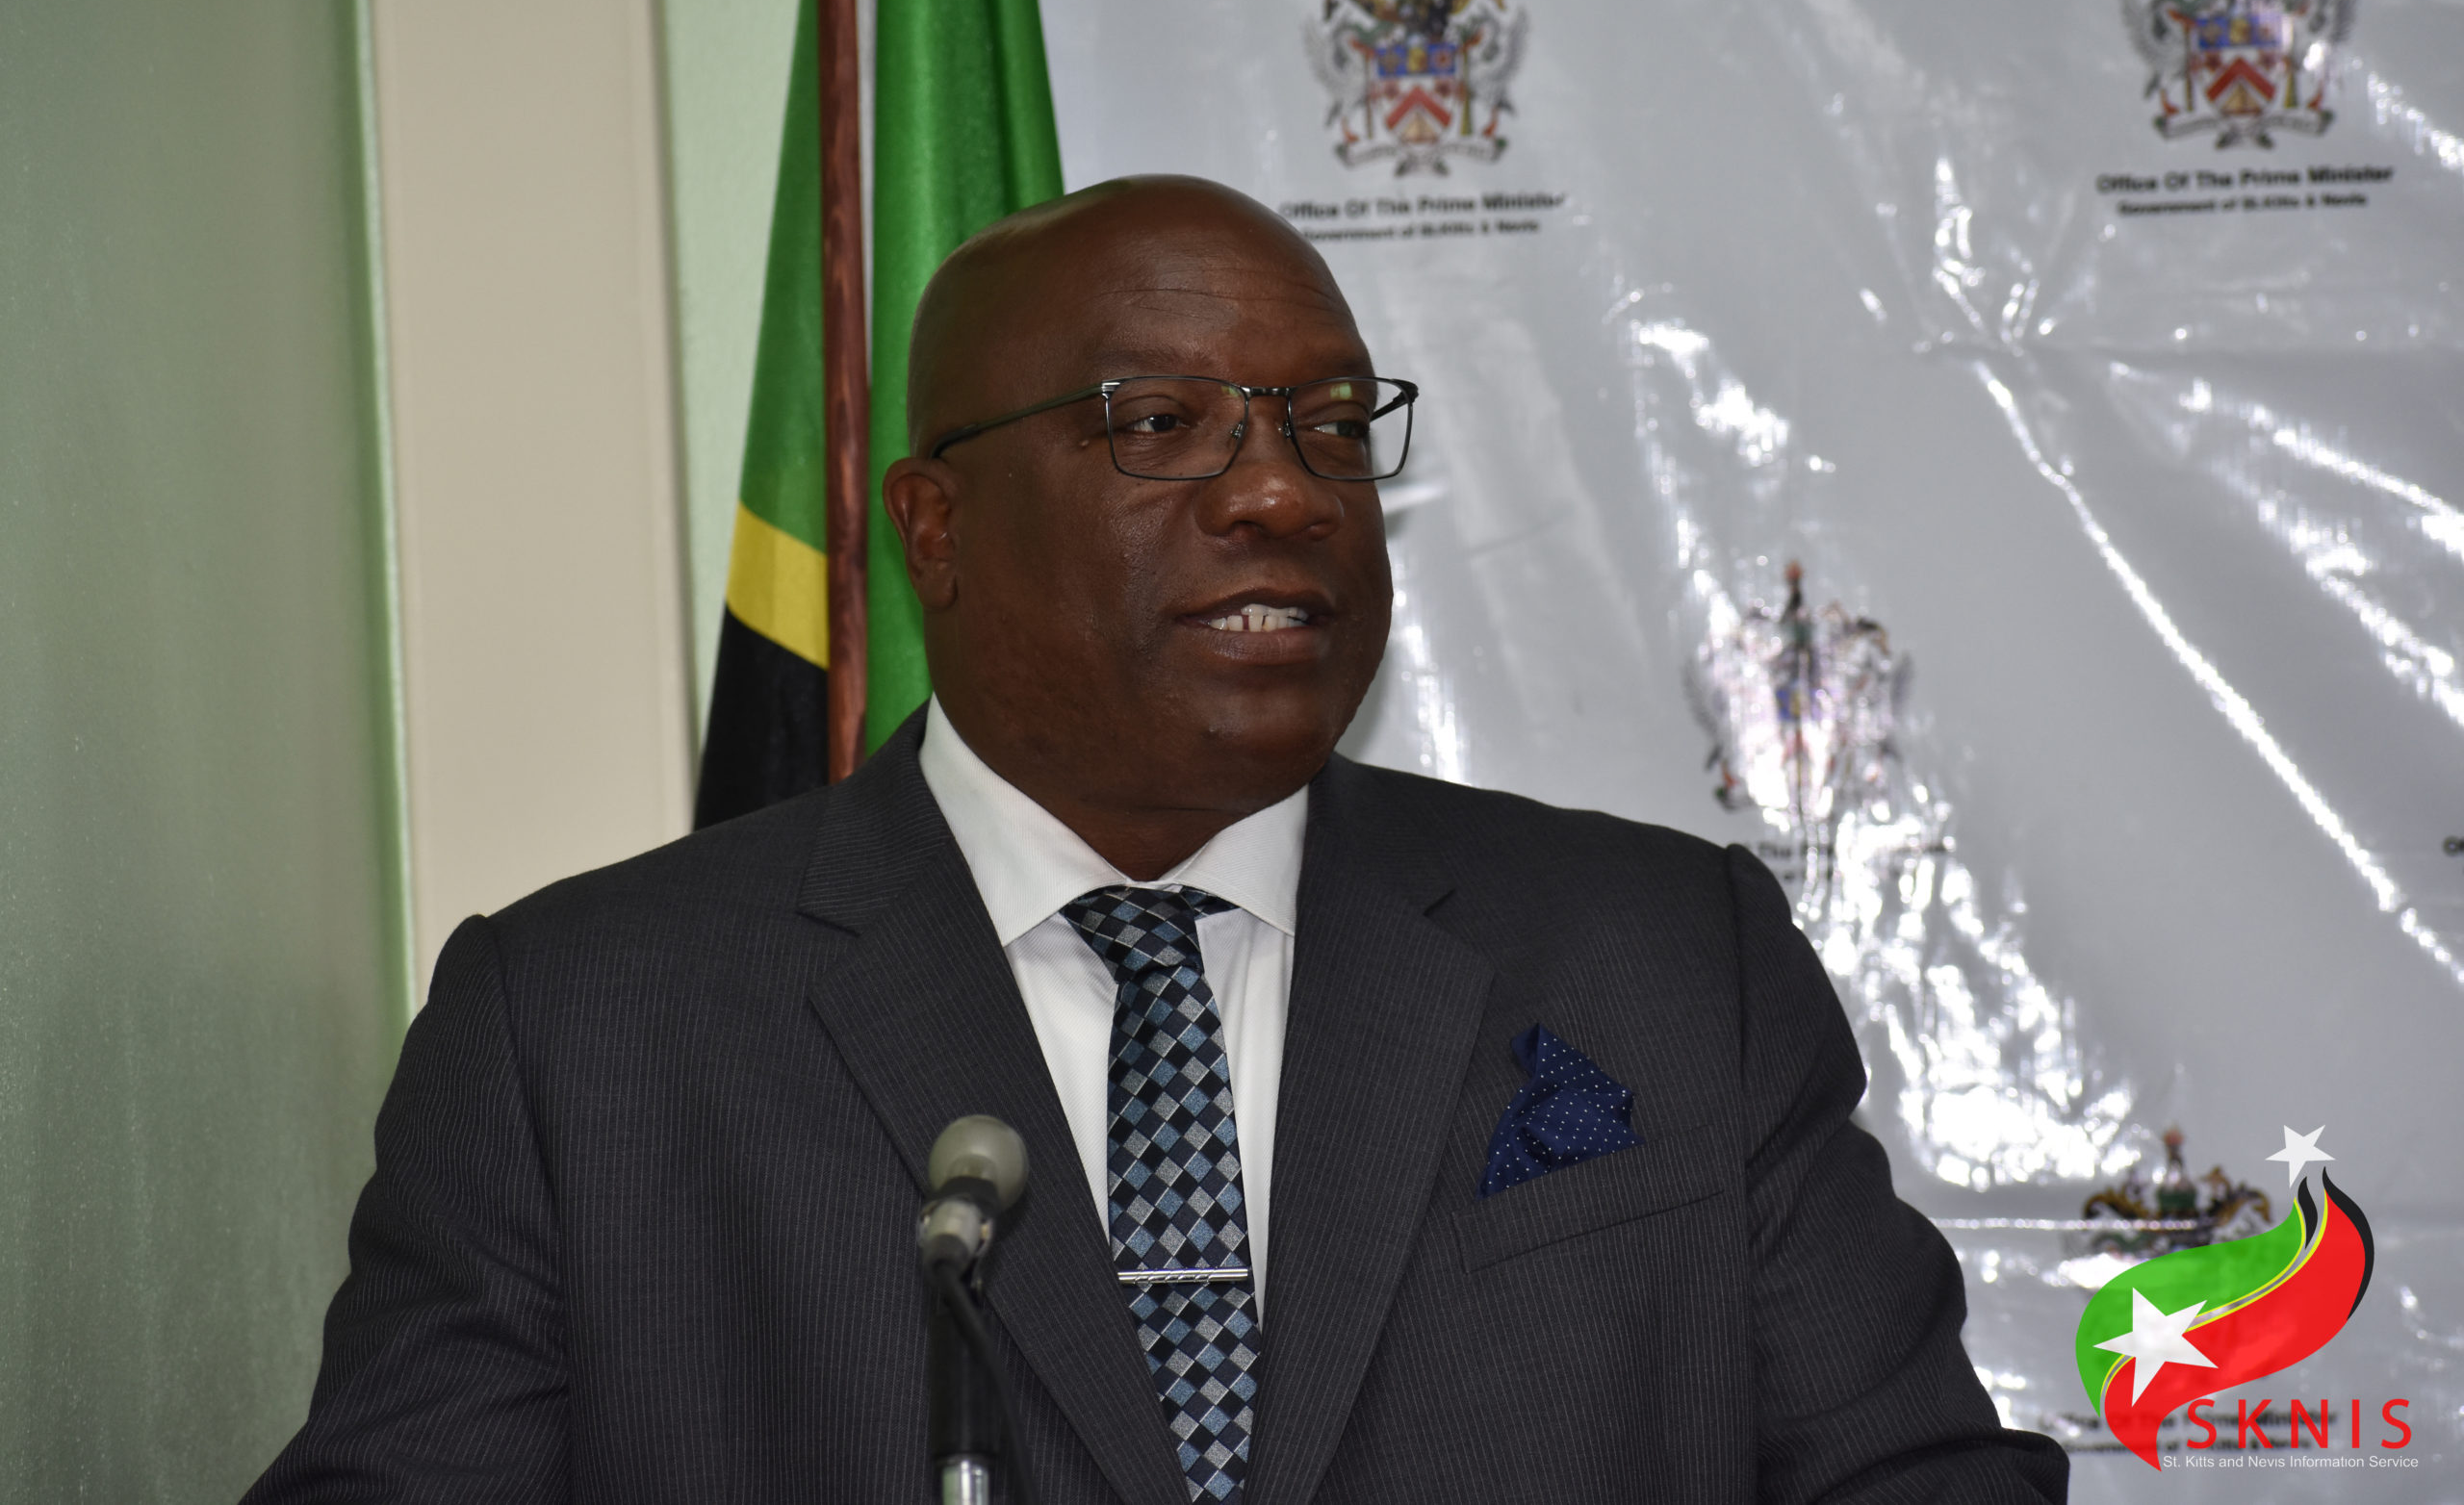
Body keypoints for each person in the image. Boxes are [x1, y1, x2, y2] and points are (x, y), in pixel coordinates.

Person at [244, 176, 2066, 1504]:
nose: (1280, 488)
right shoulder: (583, 1030)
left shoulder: (1664, 960)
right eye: (1162, 425)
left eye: (1328, 424)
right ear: (933, 527)